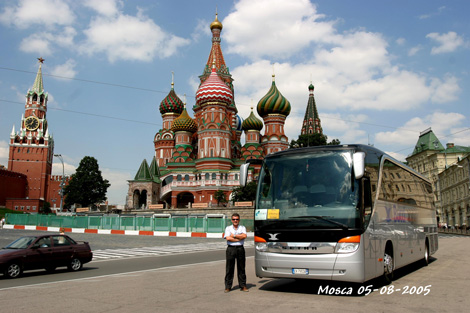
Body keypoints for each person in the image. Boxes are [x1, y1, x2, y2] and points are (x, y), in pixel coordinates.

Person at [224, 213, 248, 292]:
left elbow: (244, 236)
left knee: (241, 268)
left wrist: (233, 236)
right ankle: (228, 286)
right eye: (234, 219)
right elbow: (228, 238)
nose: (235, 221)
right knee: (229, 268)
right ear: (231, 220)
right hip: (231, 249)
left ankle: (243, 285)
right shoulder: (228, 228)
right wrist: (238, 238)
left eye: (237, 219)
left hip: (240, 249)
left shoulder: (242, 227)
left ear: (239, 220)